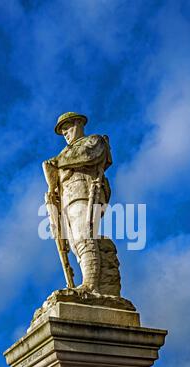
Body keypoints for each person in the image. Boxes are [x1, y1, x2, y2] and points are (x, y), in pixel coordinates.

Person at [43, 112, 120, 296]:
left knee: (83, 237)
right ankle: (89, 281)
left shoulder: (94, 141)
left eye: (67, 128)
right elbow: (56, 180)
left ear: (78, 123)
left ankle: (90, 286)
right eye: (63, 132)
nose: (66, 134)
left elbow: (88, 155)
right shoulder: (64, 153)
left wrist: (56, 163)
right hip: (67, 199)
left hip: (84, 192)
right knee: (76, 244)